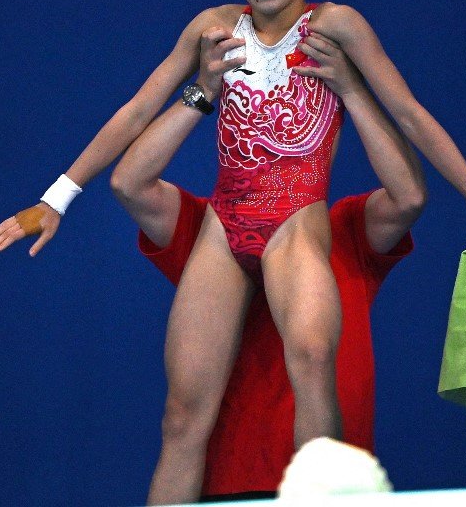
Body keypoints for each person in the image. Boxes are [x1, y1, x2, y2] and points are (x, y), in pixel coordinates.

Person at [0, 0, 466, 503]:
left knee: (314, 362)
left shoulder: (336, 25)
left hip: (296, 220)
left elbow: (410, 112)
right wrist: (56, 198)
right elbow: (136, 108)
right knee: (183, 419)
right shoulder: (213, 27)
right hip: (225, 224)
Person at [109, 29, 423, 500]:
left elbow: (409, 197)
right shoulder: (209, 232)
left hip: (324, 491)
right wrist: (202, 93)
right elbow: (129, 183)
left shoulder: (349, 231)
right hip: (226, 488)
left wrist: (351, 92)